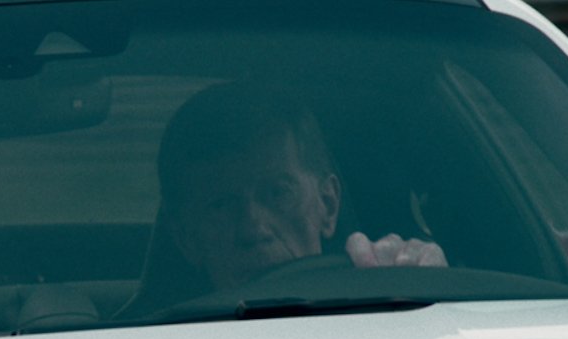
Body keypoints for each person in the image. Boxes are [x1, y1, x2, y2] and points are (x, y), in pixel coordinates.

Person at [149, 81, 446, 301]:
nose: (253, 230)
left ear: (328, 205)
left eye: (278, 193)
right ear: (187, 239)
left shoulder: (387, 306)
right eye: (222, 205)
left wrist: (425, 288)